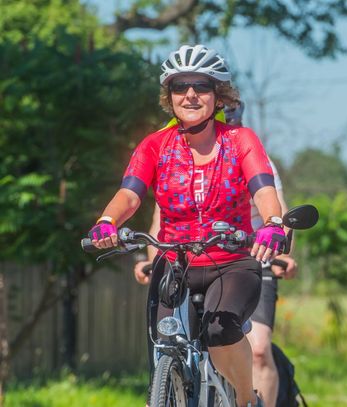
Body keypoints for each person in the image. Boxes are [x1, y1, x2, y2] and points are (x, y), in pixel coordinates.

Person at [87, 44, 287, 407]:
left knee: (219, 330)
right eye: (180, 86)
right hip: (174, 265)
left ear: (219, 95)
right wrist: (107, 220)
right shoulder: (154, 146)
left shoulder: (240, 141)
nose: (190, 94)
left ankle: (246, 399)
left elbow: (262, 189)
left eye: (201, 85)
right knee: (164, 344)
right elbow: (130, 194)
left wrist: (273, 223)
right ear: (170, 96)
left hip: (230, 263)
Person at [134, 101, 298, 407]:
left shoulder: (252, 154)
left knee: (259, 350)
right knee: (174, 340)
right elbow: (162, 218)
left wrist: (282, 248)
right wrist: (151, 258)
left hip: (253, 255)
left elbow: (280, 212)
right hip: (193, 258)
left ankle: (250, 400)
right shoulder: (180, 159)